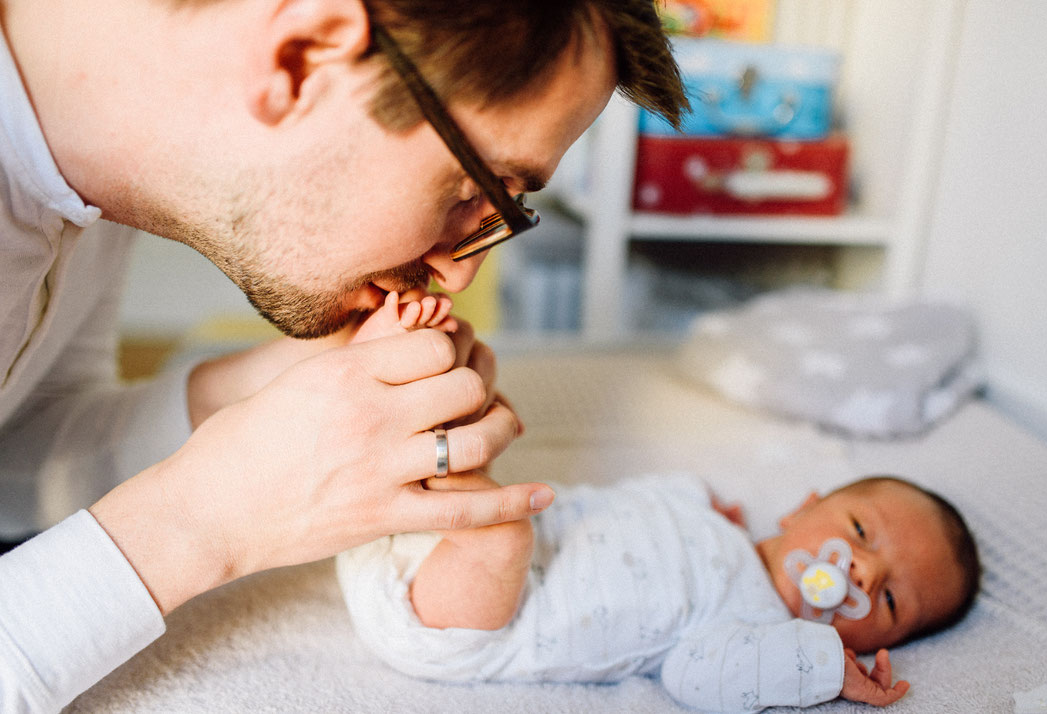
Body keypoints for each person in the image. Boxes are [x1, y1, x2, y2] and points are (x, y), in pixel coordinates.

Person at [0, 0, 688, 709]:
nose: (458, 273)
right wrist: (204, 522)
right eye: (473, 193)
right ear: (304, 58)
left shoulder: (93, 164)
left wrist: (253, 397)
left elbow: (15, 450)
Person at [338, 471, 981, 712]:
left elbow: (694, 679)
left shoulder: (757, 629)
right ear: (802, 507)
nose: (863, 573)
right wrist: (698, 498)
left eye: (891, 602)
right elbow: (642, 500)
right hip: (413, 537)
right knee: (471, 433)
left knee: (504, 530)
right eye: (861, 530)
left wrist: (817, 666)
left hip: (458, 622)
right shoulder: (709, 520)